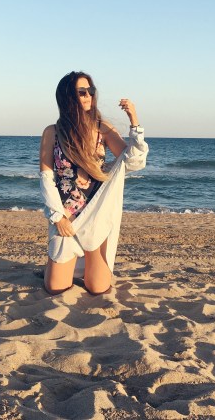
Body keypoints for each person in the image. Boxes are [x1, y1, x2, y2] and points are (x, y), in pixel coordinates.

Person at [39, 71, 149, 296]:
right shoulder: (53, 132)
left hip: (96, 212)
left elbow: (132, 161)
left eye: (91, 90)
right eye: (82, 92)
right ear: (68, 96)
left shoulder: (102, 128)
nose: (88, 95)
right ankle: (53, 263)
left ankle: (87, 257)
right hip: (66, 215)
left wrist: (134, 121)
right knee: (55, 287)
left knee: (98, 287)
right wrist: (57, 217)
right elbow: (47, 178)